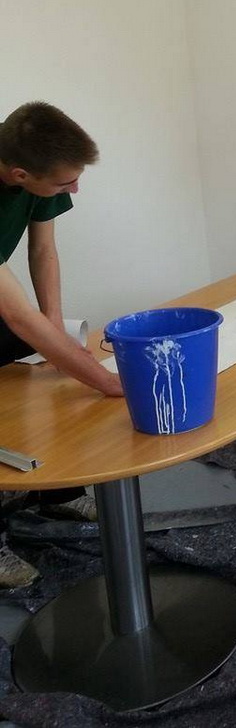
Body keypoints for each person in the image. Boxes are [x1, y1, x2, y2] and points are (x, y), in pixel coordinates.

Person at [0, 101, 124, 588]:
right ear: (20, 174)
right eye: (64, 183)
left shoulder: (34, 163)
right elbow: (16, 314)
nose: (74, 190)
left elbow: (43, 249)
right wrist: (105, 382)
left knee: (40, 368)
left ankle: (58, 493)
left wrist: (56, 331)